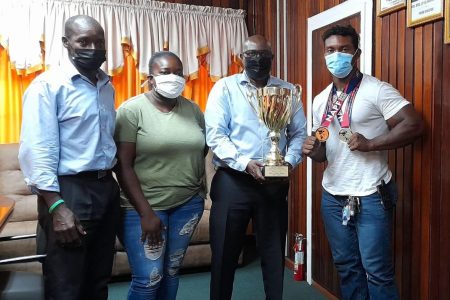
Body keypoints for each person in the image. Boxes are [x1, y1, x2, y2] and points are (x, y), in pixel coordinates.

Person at [302, 24, 424, 300]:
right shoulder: (321, 100)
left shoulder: (376, 89)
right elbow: (325, 153)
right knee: (347, 268)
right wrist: (313, 149)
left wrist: (370, 144)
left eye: (344, 49)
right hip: (333, 195)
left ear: (356, 53)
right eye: (331, 50)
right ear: (324, 55)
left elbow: (414, 125)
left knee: (377, 272)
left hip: (370, 194)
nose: (337, 56)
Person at [18, 15, 120, 300]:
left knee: (99, 278)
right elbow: (38, 150)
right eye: (83, 41)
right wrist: (56, 206)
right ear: (66, 43)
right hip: (69, 191)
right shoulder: (48, 86)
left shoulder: (105, 85)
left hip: (105, 187)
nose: (93, 48)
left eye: (99, 42)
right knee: (66, 283)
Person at [205, 35, 307, 300]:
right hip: (233, 181)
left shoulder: (287, 91)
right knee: (224, 255)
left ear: (272, 58)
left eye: (264, 55)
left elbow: (298, 134)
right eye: (251, 54)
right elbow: (215, 135)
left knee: (274, 255)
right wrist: (245, 164)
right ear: (242, 57)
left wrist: (288, 161)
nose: (258, 60)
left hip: (274, 183)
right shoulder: (224, 88)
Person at [114, 51, 206, 300]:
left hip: (187, 205)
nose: (173, 77)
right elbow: (122, 165)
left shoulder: (193, 110)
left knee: (171, 271)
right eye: (165, 72)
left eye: (178, 72)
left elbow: (201, 148)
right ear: (150, 77)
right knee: (148, 278)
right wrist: (146, 213)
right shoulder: (131, 111)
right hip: (143, 209)